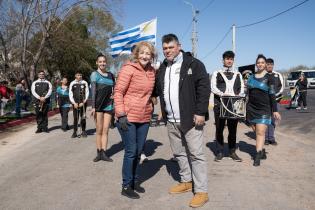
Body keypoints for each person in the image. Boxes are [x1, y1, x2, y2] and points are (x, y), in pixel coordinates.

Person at [154, 34, 210, 208]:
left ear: (179, 46)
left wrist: (200, 112)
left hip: (191, 119)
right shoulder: (163, 67)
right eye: (164, 48)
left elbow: (204, 87)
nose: (167, 51)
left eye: (170, 47)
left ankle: (201, 191)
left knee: (196, 155)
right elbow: (157, 90)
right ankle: (186, 181)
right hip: (171, 120)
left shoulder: (193, 64)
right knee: (178, 153)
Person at [114, 41, 156, 199]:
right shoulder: (128, 69)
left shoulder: (152, 71)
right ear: (137, 54)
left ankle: (135, 182)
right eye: (142, 53)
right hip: (128, 117)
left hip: (144, 117)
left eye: (148, 53)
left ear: (152, 56)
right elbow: (118, 92)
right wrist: (121, 114)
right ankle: (126, 185)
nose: (145, 56)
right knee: (131, 151)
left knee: (139, 152)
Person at [246, 54, 281, 166]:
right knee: (256, 131)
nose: (260, 64)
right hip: (251, 108)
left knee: (261, 132)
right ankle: (262, 151)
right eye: (258, 62)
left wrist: (275, 110)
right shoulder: (251, 77)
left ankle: (257, 155)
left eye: (262, 62)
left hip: (264, 109)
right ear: (256, 64)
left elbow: (272, 95)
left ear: (265, 64)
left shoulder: (269, 78)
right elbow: (248, 93)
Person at [211, 50, 244, 162]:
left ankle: (232, 151)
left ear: (233, 61)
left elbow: (242, 89)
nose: (229, 61)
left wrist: (237, 96)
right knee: (219, 129)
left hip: (233, 106)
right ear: (223, 60)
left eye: (231, 59)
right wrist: (223, 94)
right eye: (227, 59)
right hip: (220, 105)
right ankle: (220, 151)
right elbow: (213, 87)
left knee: (233, 129)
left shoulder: (238, 74)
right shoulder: (217, 73)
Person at [90, 54, 115, 162]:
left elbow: (115, 88)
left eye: (104, 61)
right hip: (98, 106)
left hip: (108, 105)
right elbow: (93, 91)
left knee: (106, 130)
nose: (102, 63)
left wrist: (114, 95)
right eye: (100, 61)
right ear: (97, 63)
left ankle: (104, 153)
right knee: (99, 130)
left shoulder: (111, 75)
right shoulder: (94, 74)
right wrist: (93, 107)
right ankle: (98, 152)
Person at [265, 58, 284, 145]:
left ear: (273, 65)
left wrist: (274, 95)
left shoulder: (277, 75)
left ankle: (271, 138)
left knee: (273, 120)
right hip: (265, 102)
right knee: (265, 120)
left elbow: (281, 87)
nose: (269, 66)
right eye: (268, 64)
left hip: (276, 100)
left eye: (271, 64)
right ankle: (265, 138)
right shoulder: (263, 75)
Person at [69, 72, 89, 138]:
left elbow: (87, 93)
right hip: (75, 103)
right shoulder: (72, 83)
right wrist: (73, 103)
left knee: (83, 117)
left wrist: (83, 102)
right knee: (75, 118)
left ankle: (83, 131)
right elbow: (70, 94)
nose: (79, 76)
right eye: (78, 75)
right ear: (75, 75)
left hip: (82, 103)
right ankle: (75, 132)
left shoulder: (84, 82)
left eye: (80, 75)